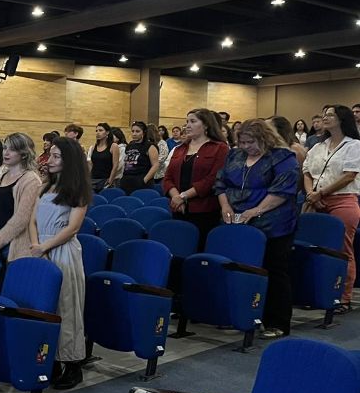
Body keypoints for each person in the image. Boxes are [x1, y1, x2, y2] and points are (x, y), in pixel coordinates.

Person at [216, 119, 299, 339]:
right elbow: (221, 183)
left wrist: (256, 211)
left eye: (250, 142)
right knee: (242, 270)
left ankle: (276, 322)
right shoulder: (235, 156)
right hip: (240, 223)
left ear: (264, 138)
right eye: (242, 142)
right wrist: (225, 205)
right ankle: (243, 316)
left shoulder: (282, 157)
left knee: (274, 271)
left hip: (274, 225)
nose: (245, 146)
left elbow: (282, 191)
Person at [27, 137, 91, 389]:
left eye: (56, 156)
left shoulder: (77, 190)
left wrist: (44, 246)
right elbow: (32, 221)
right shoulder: (45, 187)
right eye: (50, 155)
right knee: (43, 309)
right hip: (39, 250)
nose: (49, 160)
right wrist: (36, 246)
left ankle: (73, 364)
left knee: (66, 308)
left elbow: (73, 228)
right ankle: (49, 360)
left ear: (69, 160)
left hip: (62, 250)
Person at [303, 105, 360, 315]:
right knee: (314, 247)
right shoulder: (318, 146)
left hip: (342, 200)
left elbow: (349, 175)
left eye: (330, 115)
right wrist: (311, 194)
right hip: (316, 200)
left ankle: (343, 297)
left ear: (341, 119)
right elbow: (307, 171)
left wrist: (321, 193)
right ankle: (315, 292)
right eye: (324, 115)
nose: (325, 118)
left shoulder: (353, 145)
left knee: (342, 249)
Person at [162, 109, 229, 250]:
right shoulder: (180, 149)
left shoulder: (220, 148)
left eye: (193, 121)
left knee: (199, 251)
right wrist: (176, 197)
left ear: (206, 125)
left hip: (204, 211)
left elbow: (212, 179)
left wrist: (184, 196)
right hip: (178, 209)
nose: (187, 125)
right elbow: (168, 177)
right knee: (179, 249)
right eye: (187, 122)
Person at [0, 133, 43, 262]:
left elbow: (22, 218)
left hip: (12, 245)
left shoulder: (31, 179)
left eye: (12, 149)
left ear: (24, 153)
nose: (6, 153)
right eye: (5, 148)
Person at [120, 121, 159, 194]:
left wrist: (144, 180)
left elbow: (155, 165)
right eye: (133, 131)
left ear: (143, 133)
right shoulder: (129, 145)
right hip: (126, 181)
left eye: (137, 131)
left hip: (141, 181)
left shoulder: (150, 146)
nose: (134, 134)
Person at [87, 122, 119, 192]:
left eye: (100, 130)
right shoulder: (93, 147)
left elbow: (115, 165)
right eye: (96, 131)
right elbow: (91, 164)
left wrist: (110, 180)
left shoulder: (113, 146)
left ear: (107, 132)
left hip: (105, 179)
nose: (98, 133)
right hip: (93, 179)